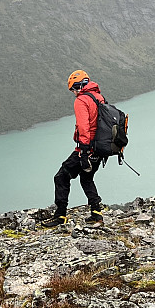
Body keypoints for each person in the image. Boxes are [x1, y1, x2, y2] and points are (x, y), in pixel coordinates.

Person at [43, 70, 106, 226]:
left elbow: (84, 127)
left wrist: (84, 153)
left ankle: (60, 216)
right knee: (86, 178)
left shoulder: (82, 101)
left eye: (73, 89)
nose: (73, 92)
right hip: (99, 148)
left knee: (61, 176)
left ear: (79, 86)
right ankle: (96, 214)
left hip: (86, 149)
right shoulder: (99, 97)